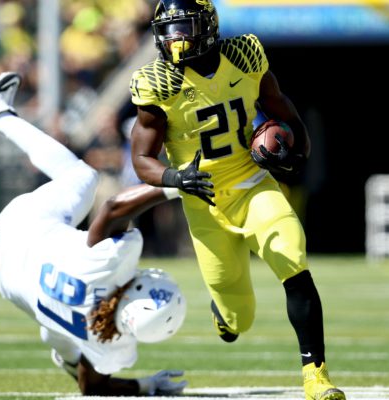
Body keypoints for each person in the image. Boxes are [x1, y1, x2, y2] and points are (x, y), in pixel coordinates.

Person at [128, 1, 345, 399]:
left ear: (207, 27)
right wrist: (175, 177)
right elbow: (142, 160)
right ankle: (224, 315)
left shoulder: (243, 56)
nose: (174, 38)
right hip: (204, 202)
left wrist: (299, 150)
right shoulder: (158, 82)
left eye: (184, 27)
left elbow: (281, 107)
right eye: (168, 29)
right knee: (239, 317)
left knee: (293, 259)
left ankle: (316, 375)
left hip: (252, 184)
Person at [0, 72, 188, 396]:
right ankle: (65, 348)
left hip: (21, 230)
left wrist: (176, 185)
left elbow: (114, 207)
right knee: (62, 326)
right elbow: (91, 387)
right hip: (2, 275)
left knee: (82, 176)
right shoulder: (114, 349)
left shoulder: (111, 264)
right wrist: (145, 385)